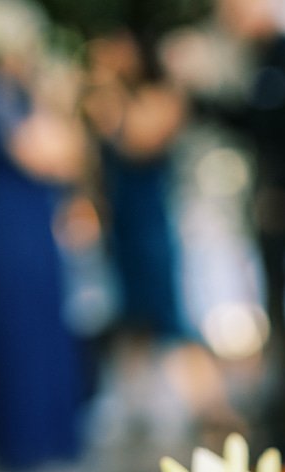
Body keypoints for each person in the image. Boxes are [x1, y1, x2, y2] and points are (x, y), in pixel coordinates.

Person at [164, 0, 285, 458]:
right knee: (271, 322)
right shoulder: (263, 60)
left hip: (284, 211)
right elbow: (247, 121)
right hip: (266, 210)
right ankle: (279, 424)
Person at [0, 0, 86, 471]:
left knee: (43, 330)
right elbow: (44, 155)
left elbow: (71, 157)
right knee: (19, 334)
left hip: (32, 227)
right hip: (9, 231)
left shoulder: (18, 97)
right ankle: (26, 445)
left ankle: (51, 438)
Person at [84, 29, 187, 343]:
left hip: (153, 216)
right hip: (119, 217)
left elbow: (137, 141)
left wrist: (110, 90)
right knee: (129, 320)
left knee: (164, 314)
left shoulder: (162, 96)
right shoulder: (103, 97)